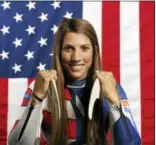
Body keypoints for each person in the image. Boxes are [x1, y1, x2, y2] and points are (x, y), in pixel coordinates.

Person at [8, 18, 141, 145]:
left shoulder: (111, 88)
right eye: (68, 48)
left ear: (94, 51)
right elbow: (18, 143)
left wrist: (114, 102)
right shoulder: (42, 87)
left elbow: (131, 143)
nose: (76, 57)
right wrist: (36, 99)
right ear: (58, 52)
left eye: (84, 48)